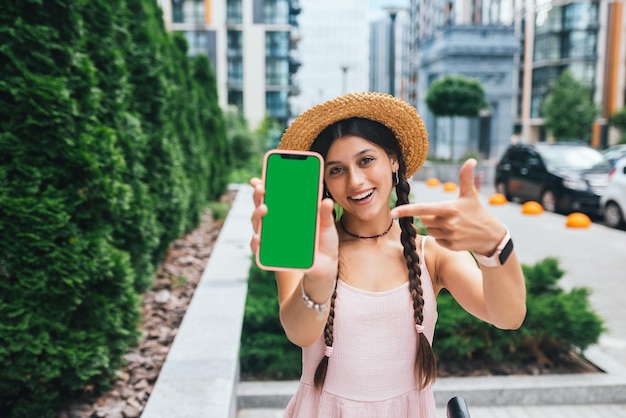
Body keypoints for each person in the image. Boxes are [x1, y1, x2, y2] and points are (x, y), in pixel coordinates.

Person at [249, 92, 526, 418]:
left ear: (393, 160)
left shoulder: (431, 253)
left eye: (366, 160)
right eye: (337, 170)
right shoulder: (309, 253)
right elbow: (300, 333)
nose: (355, 181)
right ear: (324, 181)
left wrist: (495, 245)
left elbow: (508, 317)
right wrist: (320, 280)